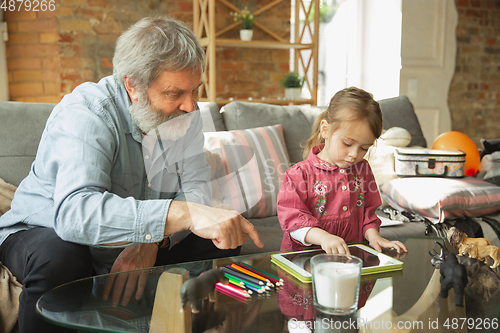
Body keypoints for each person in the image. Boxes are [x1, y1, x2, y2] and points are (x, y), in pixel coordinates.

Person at [0, 16, 263, 333]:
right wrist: (178, 214)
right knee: (61, 256)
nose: (191, 106)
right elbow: (74, 214)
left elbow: (196, 193)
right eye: (174, 93)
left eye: (196, 89)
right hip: (42, 229)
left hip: (133, 238)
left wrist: (152, 241)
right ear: (132, 85)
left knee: (223, 236)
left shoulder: (187, 117)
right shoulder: (87, 112)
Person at [277, 87, 407, 254]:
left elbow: (368, 212)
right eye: (347, 143)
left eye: (364, 148)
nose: (354, 155)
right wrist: (324, 238)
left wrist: (374, 237)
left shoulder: (362, 170)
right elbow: (293, 220)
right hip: (304, 262)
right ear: (326, 130)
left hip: (349, 260)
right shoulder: (298, 174)